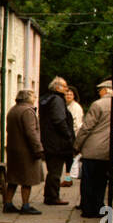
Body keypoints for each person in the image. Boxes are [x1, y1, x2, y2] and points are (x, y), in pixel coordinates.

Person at [75, 80, 113, 220]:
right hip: (107, 151)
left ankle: (87, 209)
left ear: (105, 90)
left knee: (88, 181)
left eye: (100, 90)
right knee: (101, 182)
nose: (99, 93)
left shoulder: (98, 104)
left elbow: (87, 127)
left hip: (93, 149)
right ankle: (99, 207)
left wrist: (77, 145)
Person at [4, 89, 44, 215]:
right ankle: (25, 205)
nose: (35, 97)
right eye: (33, 96)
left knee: (13, 179)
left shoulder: (13, 110)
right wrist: (38, 148)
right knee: (27, 179)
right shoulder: (27, 111)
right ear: (28, 98)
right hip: (26, 151)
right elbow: (31, 132)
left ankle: (8, 203)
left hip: (13, 149)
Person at [38, 77, 75, 206]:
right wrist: (68, 136)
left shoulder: (46, 99)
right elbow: (59, 120)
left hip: (49, 140)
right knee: (55, 171)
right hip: (57, 143)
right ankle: (52, 197)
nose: (67, 89)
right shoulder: (57, 100)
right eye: (64, 86)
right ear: (58, 87)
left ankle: (50, 195)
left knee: (52, 169)